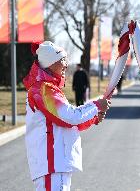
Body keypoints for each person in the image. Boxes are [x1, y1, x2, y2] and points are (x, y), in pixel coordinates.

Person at [23, 41, 111, 191]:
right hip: (51, 164)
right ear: (50, 63)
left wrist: (93, 118)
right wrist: (96, 106)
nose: (66, 64)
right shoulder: (43, 89)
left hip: (56, 164)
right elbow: (70, 116)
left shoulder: (49, 88)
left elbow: (67, 122)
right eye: (62, 59)